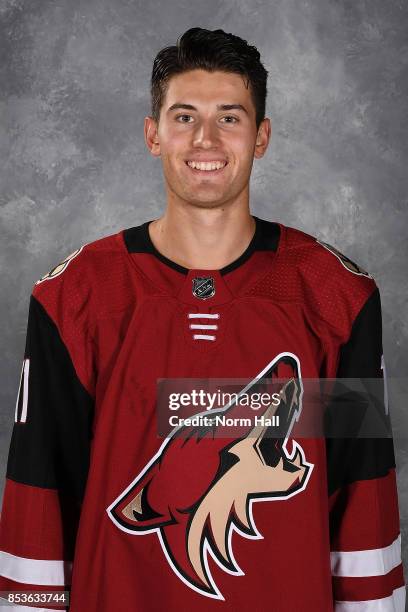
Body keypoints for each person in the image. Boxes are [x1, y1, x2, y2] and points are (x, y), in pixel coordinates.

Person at [0, 27, 405, 612]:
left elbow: (360, 498)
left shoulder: (334, 298)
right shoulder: (77, 297)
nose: (206, 139)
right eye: (184, 116)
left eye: (230, 117)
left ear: (261, 136)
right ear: (153, 134)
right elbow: (41, 494)